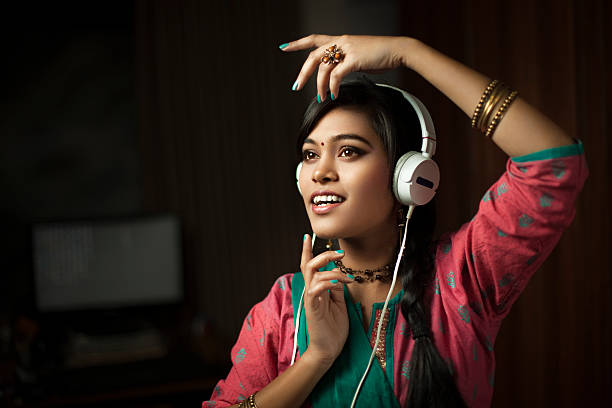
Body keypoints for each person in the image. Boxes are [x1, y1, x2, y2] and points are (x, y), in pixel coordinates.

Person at [202, 35, 588, 408]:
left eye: (349, 151)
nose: (320, 172)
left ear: (409, 176)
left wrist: (408, 52)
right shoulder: (286, 308)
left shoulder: (461, 279)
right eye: (309, 154)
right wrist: (315, 357)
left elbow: (553, 163)